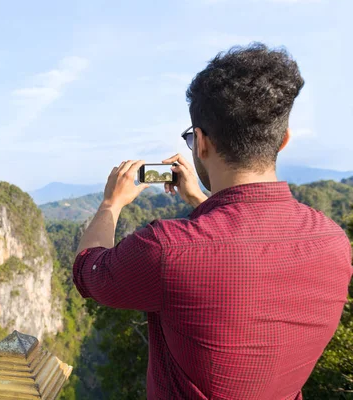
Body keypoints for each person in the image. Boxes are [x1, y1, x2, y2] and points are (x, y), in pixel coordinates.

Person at [72, 43, 353, 399]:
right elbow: (247, 246)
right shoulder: (333, 242)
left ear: (201, 142)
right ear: (283, 140)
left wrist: (111, 204)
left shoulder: (166, 249)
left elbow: (88, 272)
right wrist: (200, 200)